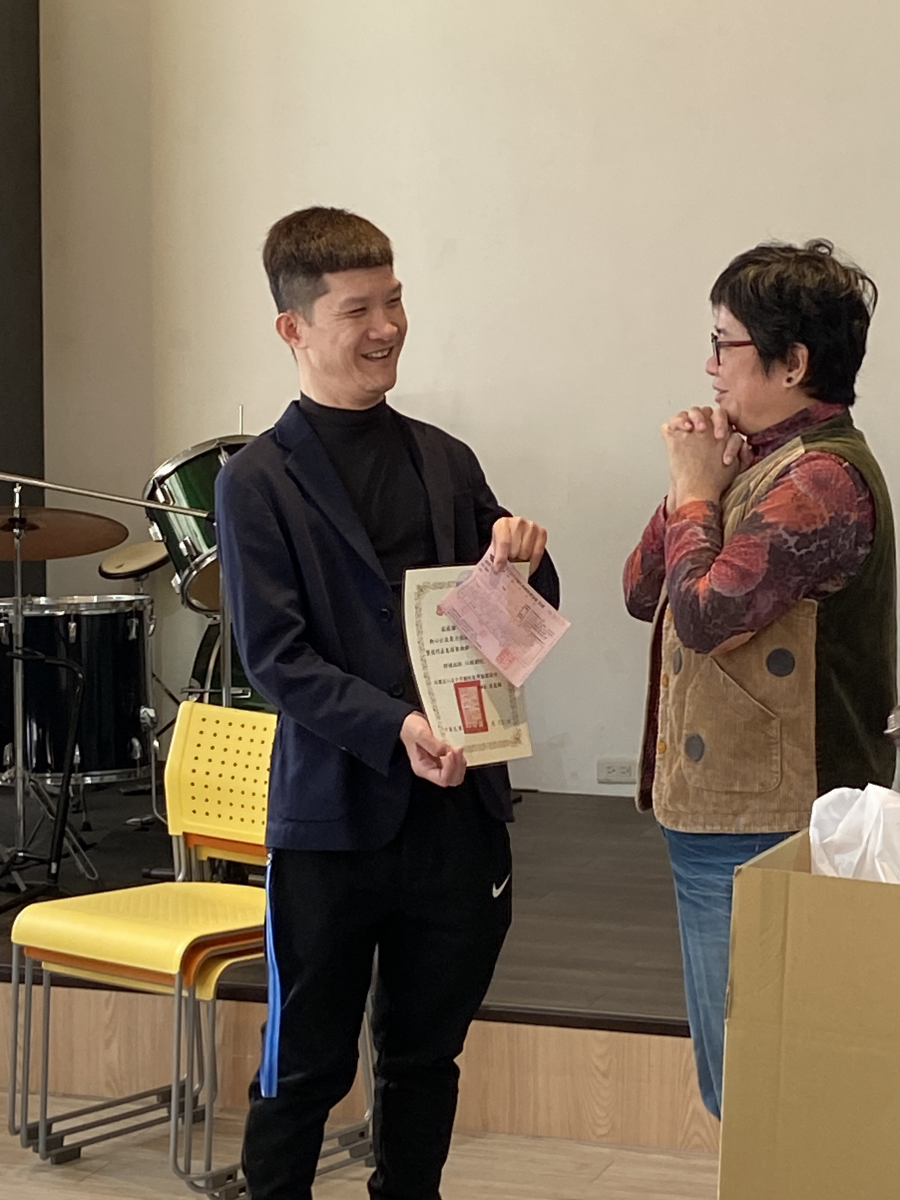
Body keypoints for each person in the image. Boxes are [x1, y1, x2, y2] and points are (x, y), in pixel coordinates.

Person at [214, 206, 559, 1200]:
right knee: (303, 1069)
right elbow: (276, 659)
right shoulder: (256, 481)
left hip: (457, 816)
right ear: (293, 327)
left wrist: (521, 566)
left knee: (423, 1058)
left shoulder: (444, 459)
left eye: (395, 301)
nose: (388, 326)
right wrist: (396, 726)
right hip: (332, 820)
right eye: (358, 309)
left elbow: (511, 631)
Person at [623, 239, 896, 1120]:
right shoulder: (762, 460)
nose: (710, 366)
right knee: (741, 1075)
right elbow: (642, 591)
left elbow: (704, 617)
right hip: (726, 807)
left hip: (770, 820)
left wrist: (695, 493)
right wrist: (693, 486)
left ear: (794, 362)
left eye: (724, 343)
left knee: (757, 1086)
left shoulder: (821, 479)